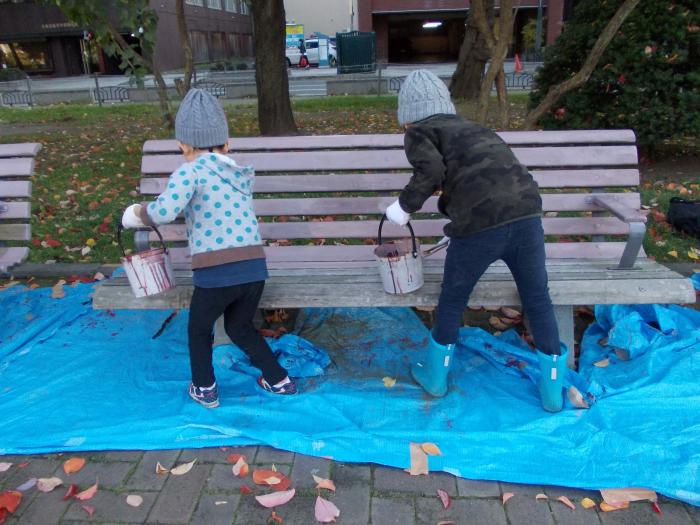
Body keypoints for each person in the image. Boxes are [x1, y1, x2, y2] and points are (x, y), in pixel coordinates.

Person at [385, 69, 567, 412]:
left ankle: (435, 380)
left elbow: (431, 172)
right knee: (538, 299)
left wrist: (403, 207)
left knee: (453, 299)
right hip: (527, 215)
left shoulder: (419, 132)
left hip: (480, 225)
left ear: (407, 118)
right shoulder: (476, 129)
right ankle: (553, 393)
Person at [121, 89, 297, 408]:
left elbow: (162, 212)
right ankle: (278, 379)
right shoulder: (237, 173)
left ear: (183, 146)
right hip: (254, 270)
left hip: (217, 274)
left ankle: (204, 387)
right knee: (240, 326)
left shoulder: (190, 171)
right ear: (227, 143)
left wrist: (135, 215)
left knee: (199, 329)